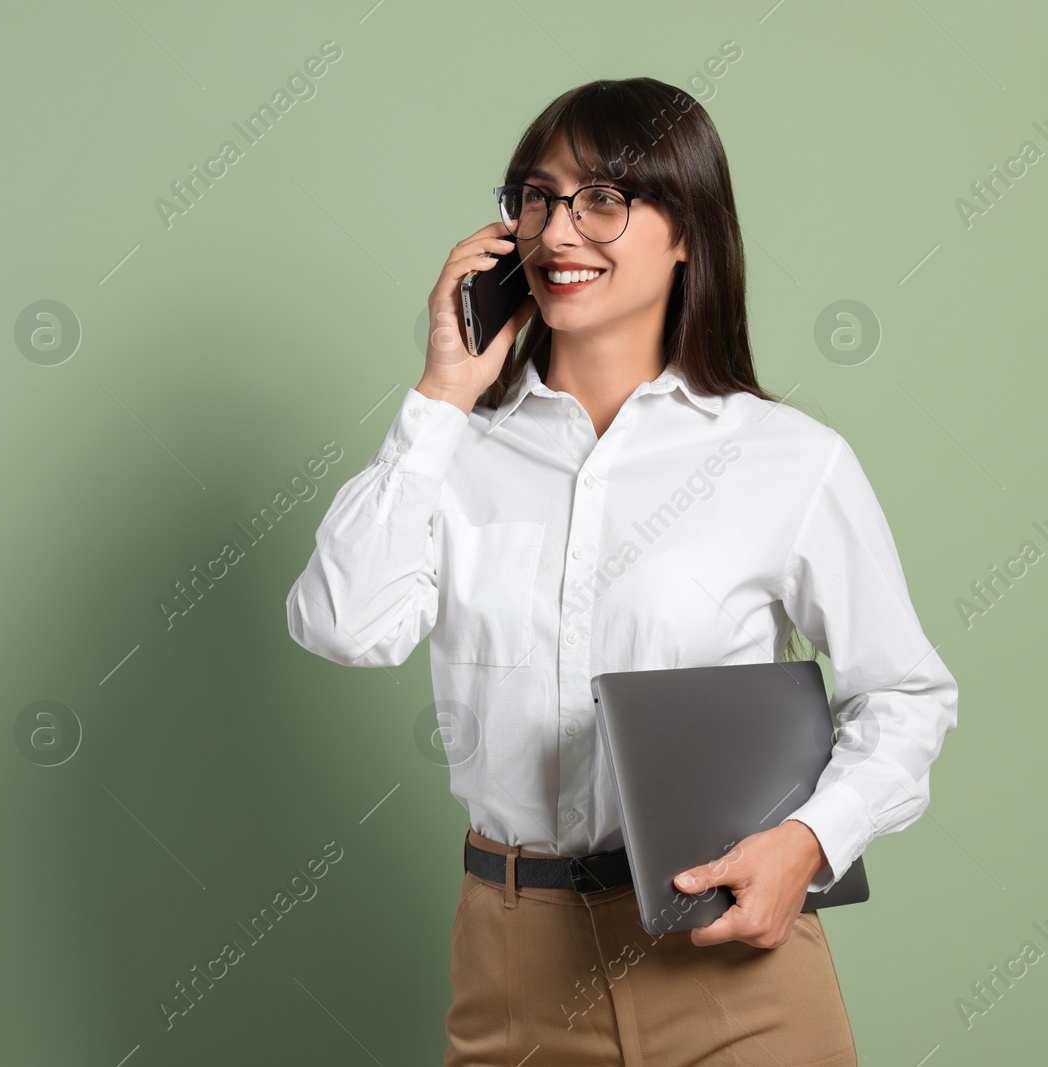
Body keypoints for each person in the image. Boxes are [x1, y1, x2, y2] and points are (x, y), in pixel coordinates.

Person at [284, 77, 957, 1067]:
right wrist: (438, 394)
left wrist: (809, 839)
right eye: (537, 197)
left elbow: (906, 696)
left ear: (687, 231)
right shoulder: (451, 458)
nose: (560, 229)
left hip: (732, 966)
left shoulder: (787, 458)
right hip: (514, 969)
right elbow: (342, 624)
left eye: (604, 198)